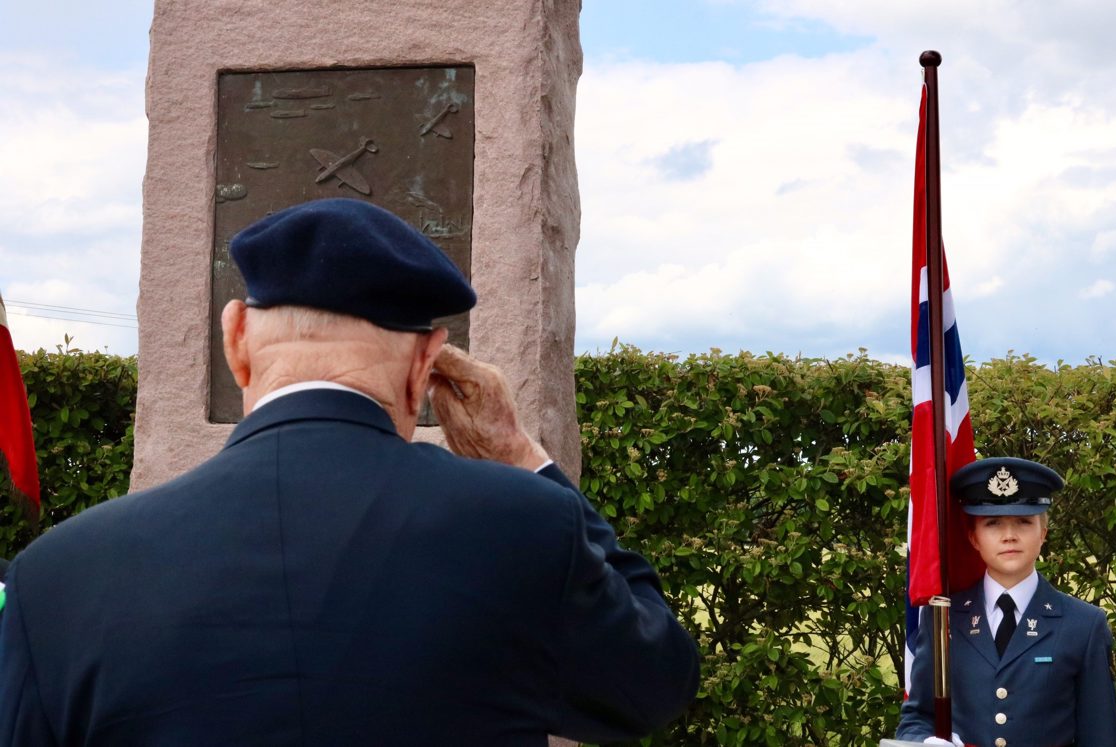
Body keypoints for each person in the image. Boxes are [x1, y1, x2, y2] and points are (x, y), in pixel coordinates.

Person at [0, 198, 699, 745]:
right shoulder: (524, 526)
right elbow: (653, 682)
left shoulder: (57, 576)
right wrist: (521, 457)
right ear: (427, 363)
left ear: (236, 339)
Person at [896, 456, 1116, 747]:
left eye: (1024, 522)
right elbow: (916, 718)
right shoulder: (942, 618)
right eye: (993, 523)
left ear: (1043, 534)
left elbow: (1100, 735)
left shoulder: (1084, 625)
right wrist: (925, 742)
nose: (1009, 536)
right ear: (973, 537)